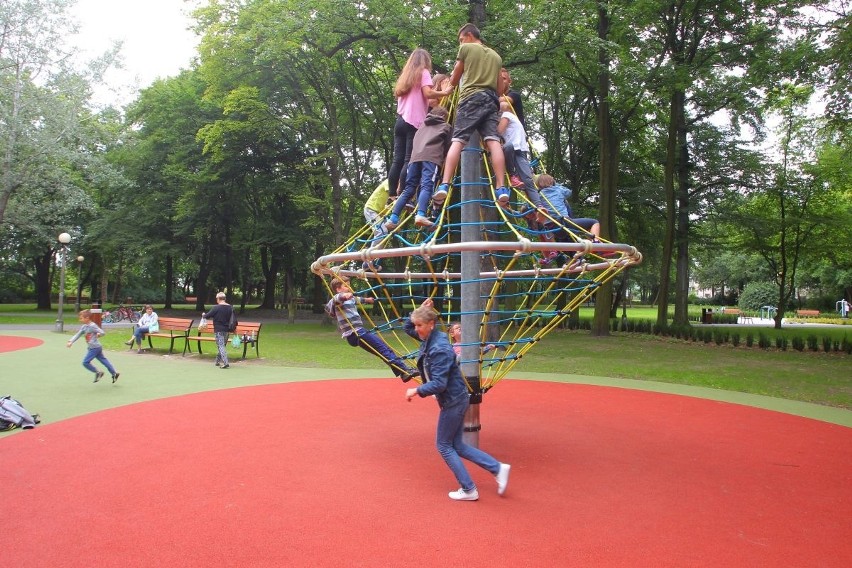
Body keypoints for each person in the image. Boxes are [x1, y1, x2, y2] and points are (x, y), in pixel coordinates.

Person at [404, 299, 510, 501]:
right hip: (457, 397)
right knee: (458, 446)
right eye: (416, 325)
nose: (416, 330)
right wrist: (421, 310)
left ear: (431, 324)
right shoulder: (432, 337)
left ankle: (469, 489)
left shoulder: (439, 349)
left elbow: (439, 384)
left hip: (452, 400)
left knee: (443, 445)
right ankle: (498, 468)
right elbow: (407, 327)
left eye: (419, 325)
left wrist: (416, 390)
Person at [435, 23, 509, 207]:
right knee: (493, 141)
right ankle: (501, 188)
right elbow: (500, 89)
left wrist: (449, 84)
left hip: (470, 99)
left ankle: (444, 184)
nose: (460, 43)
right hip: (491, 101)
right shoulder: (496, 56)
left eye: (461, 39)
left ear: (469, 35)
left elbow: (454, 78)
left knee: (458, 140)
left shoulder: (466, 49)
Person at [388, 49, 455, 197]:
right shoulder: (423, 72)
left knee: (397, 160)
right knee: (408, 158)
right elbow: (428, 94)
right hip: (414, 121)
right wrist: (445, 92)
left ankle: (392, 194)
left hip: (400, 121)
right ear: (425, 61)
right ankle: (404, 194)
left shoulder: (405, 78)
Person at [326, 279, 419, 382]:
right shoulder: (337, 299)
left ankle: (403, 373)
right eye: (346, 286)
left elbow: (359, 299)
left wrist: (367, 300)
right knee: (383, 349)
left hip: (358, 332)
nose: (349, 288)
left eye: (349, 285)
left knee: (384, 350)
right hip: (355, 332)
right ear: (338, 289)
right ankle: (405, 370)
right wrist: (344, 296)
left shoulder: (351, 299)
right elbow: (336, 300)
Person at [383, 97, 452, 231]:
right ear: (444, 117)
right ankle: (420, 214)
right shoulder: (446, 126)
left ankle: (393, 218)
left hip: (414, 159)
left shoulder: (420, 127)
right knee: (427, 184)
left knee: (409, 188)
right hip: (431, 158)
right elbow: (449, 147)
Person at [534, 174, 602, 265]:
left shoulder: (538, 195)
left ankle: (575, 259)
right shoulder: (558, 189)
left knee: (566, 240)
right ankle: (595, 241)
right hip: (564, 222)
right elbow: (569, 192)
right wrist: (556, 184)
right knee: (594, 222)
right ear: (552, 182)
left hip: (551, 228)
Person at [497, 100, 544, 209]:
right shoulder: (514, 118)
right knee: (508, 147)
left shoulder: (507, 115)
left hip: (517, 150)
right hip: (515, 150)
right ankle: (513, 175)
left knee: (528, 180)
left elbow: (498, 131)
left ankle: (539, 206)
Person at [67, 309, 120, 384]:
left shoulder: (92, 326)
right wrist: (71, 341)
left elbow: (102, 332)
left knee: (85, 362)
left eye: (81, 318)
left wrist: (98, 334)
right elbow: (78, 334)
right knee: (104, 361)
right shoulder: (84, 326)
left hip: (94, 348)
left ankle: (98, 372)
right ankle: (114, 373)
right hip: (95, 347)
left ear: (87, 318)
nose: (80, 320)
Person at [362, 179, 394, 271]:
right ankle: (368, 261)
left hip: (377, 213)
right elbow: (393, 195)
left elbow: (386, 208)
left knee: (384, 234)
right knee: (381, 232)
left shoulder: (386, 201)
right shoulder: (389, 182)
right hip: (371, 210)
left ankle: (370, 262)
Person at [202, 292, 234, 369]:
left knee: (221, 346)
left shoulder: (216, 307)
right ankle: (217, 361)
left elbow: (207, 316)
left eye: (217, 298)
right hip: (227, 330)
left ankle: (225, 362)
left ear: (218, 299)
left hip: (218, 330)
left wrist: (203, 315)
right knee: (222, 346)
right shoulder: (230, 307)